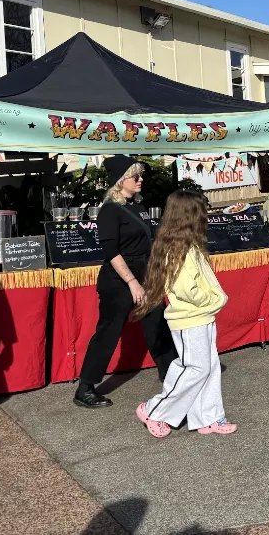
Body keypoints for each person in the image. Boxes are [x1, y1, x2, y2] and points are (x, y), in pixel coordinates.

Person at [73, 156, 177, 409]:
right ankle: (85, 387)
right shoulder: (110, 210)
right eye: (135, 176)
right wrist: (132, 283)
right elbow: (112, 252)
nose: (140, 180)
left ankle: (173, 378)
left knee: (158, 326)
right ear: (121, 181)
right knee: (108, 333)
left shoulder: (137, 206)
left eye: (140, 175)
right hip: (119, 280)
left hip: (144, 274)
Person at [134, 191, 235, 437]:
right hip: (191, 317)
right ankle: (154, 410)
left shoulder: (187, 247)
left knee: (207, 367)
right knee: (194, 367)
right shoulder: (178, 250)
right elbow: (185, 287)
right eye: (202, 212)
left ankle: (208, 417)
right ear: (189, 216)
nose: (206, 217)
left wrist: (210, 302)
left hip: (201, 315)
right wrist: (210, 300)